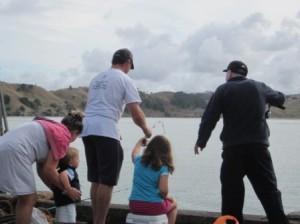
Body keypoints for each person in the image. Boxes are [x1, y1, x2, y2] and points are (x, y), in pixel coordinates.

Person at [194, 60, 289, 224]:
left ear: (230, 73)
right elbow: (280, 98)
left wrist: (201, 141)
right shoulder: (259, 87)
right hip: (258, 149)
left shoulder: (223, 89)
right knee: (269, 194)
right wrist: (267, 102)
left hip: (233, 151)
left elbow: (210, 117)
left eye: (226, 73)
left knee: (231, 197)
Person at [81, 48, 152, 224]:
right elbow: (136, 113)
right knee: (107, 181)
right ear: (127, 62)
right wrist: (146, 130)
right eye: (130, 66)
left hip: (87, 129)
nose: (129, 69)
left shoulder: (96, 78)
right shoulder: (124, 79)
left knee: (96, 179)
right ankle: (100, 222)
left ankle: (96, 220)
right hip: (106, 130)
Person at [0, 112, 83, 224]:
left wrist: (56, 189)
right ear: (75, 132)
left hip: (4, 145)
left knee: (25, 197)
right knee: (28, 199)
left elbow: (42, 169)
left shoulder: (49, 126)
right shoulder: (64, 136)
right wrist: (67, 190)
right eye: (77, 137)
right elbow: (49, 170)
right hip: (16, 152)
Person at [129, 136, 177, 224]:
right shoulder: (163, 168)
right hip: (153, 206)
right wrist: (169, 197)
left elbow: (134, 154)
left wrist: (139, 143)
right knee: (174, 205)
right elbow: (163, 191)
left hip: (134, 205)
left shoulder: (139, 161)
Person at [53, 147, 81, 224]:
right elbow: (63, 175)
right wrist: (68, 188)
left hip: (60, 203)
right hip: (67, 204)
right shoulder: (70, 171)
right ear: (70, 162)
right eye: (77, 159)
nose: (79, 161)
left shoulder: (59, 170)